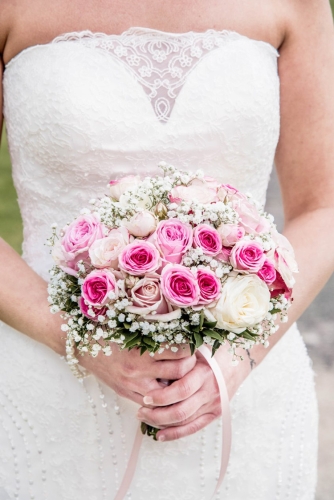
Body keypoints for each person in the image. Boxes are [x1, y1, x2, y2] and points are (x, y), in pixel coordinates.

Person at [0, 0, 333, 498]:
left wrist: (238, 355)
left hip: (243, 392)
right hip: (51, 388)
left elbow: (322, 208)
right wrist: (73, 336)